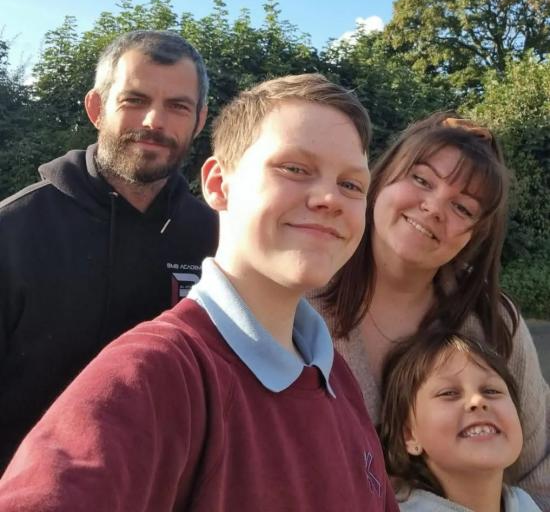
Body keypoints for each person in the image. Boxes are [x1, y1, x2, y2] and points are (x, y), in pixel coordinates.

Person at [0, 73, 398, 511]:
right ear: (217, 184)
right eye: (295, 169)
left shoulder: (336, 377)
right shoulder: (152, 376)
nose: (330, 198)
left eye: (352, 184)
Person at [0, 30, 218, 471]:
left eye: (178, 106)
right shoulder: (14, 229)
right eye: (134, 100)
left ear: (199, 120)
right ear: (97, 108)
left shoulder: (220, 240)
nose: (155, 121)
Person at [318, 113, 550, 507]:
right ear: (383, 176)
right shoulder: (300, 299)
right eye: (421, 180)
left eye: (463, 208)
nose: (435, 207)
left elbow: (537, 470)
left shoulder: (493, 321)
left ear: (476, 235)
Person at [379, 331, 541, 511]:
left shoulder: (525, 503)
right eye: (449, 393)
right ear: (409, 435)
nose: (478, 401)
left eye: (491, 391)